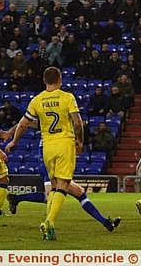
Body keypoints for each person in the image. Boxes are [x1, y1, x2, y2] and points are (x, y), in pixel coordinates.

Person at [5, 67, 84, 241]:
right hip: (64, 144)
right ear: (60, 80)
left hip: (47, 147)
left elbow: (23, 124)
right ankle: (49, 222)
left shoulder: (37, 100)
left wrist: (14, 141)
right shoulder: (67, 97)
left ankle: (50, 227)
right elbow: (78, 123)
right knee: (63, 184)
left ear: (44, 81)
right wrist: (80, 141)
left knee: (54, 186)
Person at [0, 120, 121, 232]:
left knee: (77, 192)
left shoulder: (49, 119)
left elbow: (25, 122)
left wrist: (10, 133)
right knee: (52, 196)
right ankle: (47, 225)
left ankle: (106, 223)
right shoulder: (58, 120)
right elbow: (26, 122)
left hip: (51, 157)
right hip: (49, 160)